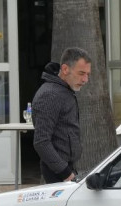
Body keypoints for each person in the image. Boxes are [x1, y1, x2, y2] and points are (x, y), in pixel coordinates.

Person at [32, 47, 91, 184]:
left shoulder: (65, 90)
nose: (85, 79)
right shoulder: (51, 94)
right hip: (58, 173)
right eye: (81, 73)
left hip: (67, 169)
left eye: (88, 74)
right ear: (65, 69)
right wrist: (66, 174)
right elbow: (41, 141)